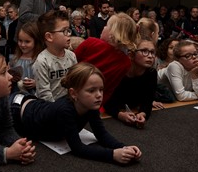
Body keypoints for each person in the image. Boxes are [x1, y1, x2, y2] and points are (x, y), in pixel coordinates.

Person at [11, 62, 142, 164]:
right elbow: (78, 148)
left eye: (101, 90)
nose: (98, 95)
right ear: (74, 93)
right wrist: (112, 154)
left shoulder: (91, 105)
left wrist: (124, 148)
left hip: (35, 104)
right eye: (91, 91)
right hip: (17, 111)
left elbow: (101, 134)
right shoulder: (65, 111)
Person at [74, 13, 137, 110]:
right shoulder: (126, 63)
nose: (104, 27)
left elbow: (71, 65)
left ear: (113, 33)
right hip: (93, 102)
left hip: (73, 94)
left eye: (107, 25)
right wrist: (98, 105)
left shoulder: (90, 42)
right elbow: (109, 89)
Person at [105, 39, 157, 128]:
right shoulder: (118, 70)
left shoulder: (151, 73)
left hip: (133, 110)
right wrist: (120, 115)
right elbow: (107, 102)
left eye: (152, 52)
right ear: (131, 54)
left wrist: (142, 114)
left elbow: (148, 101)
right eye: (144, 51)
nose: (150, 56)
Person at [33, 10, 77, 102]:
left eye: (69, 30)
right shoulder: (42, 61)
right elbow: (44, 94)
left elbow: (76, 82)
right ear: (49, 37)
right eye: (64, 31)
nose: (69, 34)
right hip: (51, 109)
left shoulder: (71, 56)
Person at [9, 22, 44, 96]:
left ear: (36, 41)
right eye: (20, 41)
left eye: (27, 42)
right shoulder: (14, 59)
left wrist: (36, 83)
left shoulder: (41, 60)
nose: (22, 45)